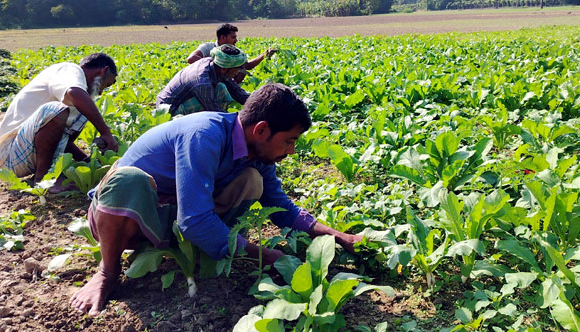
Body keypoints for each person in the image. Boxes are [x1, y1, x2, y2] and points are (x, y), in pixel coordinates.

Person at [71, 83, 362, 316]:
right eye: (289, 140)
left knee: (252, 180)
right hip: (127, 217)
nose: (291, 151)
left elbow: (283, 210)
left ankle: (206, 249)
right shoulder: (204, 135)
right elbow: (194, 220)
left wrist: (338, 236)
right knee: (128, 181)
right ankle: (107, 272)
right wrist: (268, 255)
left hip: (174, 219)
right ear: (261, 130)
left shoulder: (257, 152)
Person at [0, 53, 119, 187]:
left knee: (81, 113)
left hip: (26, 154)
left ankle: (45, 174)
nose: (101, 93)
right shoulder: (70, 70)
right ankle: (43, 180)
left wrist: (88, 162)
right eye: (107, 84)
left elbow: (61, 140)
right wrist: (106, 132)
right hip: (9, 155)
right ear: (103, 71)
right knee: (56, 110)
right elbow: (74, 92)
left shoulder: (77, 90)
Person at [157, 45, 249, 116]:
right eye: (237, 68)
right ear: (224, 69)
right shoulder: (202, 80)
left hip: (184, 101)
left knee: (221, 88)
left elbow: (238, 92)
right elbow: (214, 109)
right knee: (218, 116)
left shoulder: (216, 65)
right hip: (169, 111)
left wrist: (260, 104)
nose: (238, 72)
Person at [186, 23, 277, 84]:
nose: (236, 40)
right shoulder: (207, 47)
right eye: (233, 37)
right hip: (203, 82)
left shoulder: (233, 52)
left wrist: (264, 54)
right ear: (222, 38)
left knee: (242, 72)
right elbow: (191, 59)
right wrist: (216, 66)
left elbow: (247, 65)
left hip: (222, 85)